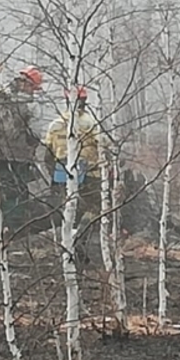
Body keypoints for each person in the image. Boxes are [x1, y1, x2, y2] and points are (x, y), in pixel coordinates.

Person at [0, 66, 47, 236]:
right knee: (18, 192)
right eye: (33, 88)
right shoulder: (31, 105)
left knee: (2, 191)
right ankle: (15, 229)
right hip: (19, 157)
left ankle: (3, 227)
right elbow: (36, 133)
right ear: (28, 85)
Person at [43, 85, 104, 262]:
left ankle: (66, 247)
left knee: (68, 210)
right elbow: (103, 147)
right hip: (91, 174)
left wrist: (53, 174)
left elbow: (48, 154)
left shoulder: (55, 124)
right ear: (84, 101)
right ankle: (80, 239)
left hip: (62, 173)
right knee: (95, 208)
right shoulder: (90, 123)